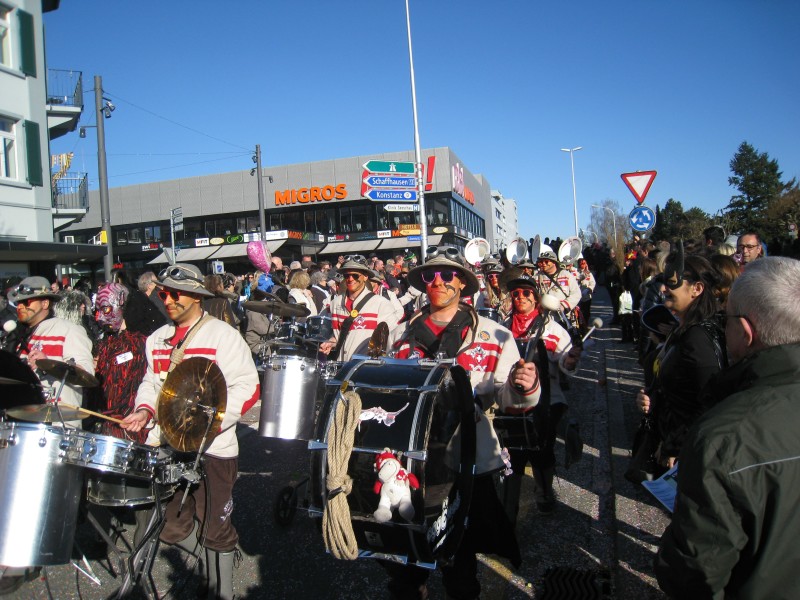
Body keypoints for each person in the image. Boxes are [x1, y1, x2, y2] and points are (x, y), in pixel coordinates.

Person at [384, 246, 540, 600]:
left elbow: (509, 398)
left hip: (465, 459)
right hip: (410, 460)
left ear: (463, 283)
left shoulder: (494, 334)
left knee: (461, 564)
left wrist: (525, 386)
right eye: (429, 275)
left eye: (447, 274)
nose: (437, 281)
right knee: (405, 560)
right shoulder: (399, 334)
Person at [655, 257, 800, 599]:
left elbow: (692, 575)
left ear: (746, 332)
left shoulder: (722, 438)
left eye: (727, 318)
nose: (721, 325)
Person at [120, 264, 259, 600]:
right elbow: (152, 382)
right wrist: (144, 410)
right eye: (164, 293)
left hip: (213, 448)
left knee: (216, 527)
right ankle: (208, 568)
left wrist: (207, 423)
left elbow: (248, 387)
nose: (168, 300)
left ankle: (220, 590)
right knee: (168, 525)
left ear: (197, 296)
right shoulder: (157, 338)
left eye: (176, 293)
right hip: (168, 446)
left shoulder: (223, 336)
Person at [499, 272, 581, 520]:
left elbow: (566, 361)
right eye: (516, 293)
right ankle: (509, 506)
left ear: (536, 297)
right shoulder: (502, 329)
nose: (520, 297)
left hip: (547, 399)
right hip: (512, 400)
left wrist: (569, 360)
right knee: (512, 454)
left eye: (526, 293)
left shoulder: (552, 329)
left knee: (542, 449)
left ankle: (544, 492)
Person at [635, 252, 727, 468]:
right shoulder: (682, 330)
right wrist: (652, 397)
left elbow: (711, 402)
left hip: (686, 455)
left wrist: (675, 446)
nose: (663, 288)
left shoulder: (699, 338)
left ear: (697, 288)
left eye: (672, 282)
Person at [8, 276, 94, 420]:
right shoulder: (15, 336)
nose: (20, 307)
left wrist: (48, 364)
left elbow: (86, 373)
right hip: (22, 418)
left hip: (58, 422)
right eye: (18, 303)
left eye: (26, 302)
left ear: (45, 303)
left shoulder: (69, 330)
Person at [319, 255, 397, 362]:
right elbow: (339, 334)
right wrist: (331, 342)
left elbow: (391, 339)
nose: (350, 279)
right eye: (347, 275)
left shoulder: (381, 304)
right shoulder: (335, 303)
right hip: (341, 366)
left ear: (365, 277)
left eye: (355, 275)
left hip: (366, 367)